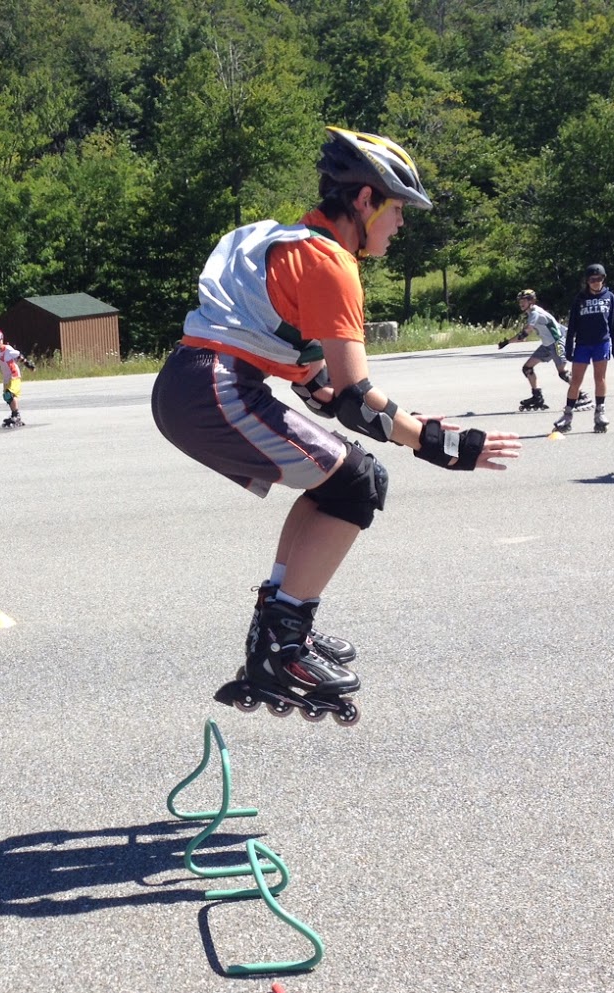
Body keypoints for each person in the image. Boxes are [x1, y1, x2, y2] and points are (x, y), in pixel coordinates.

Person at [150, 126, 521, 725]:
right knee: (357, 482)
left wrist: (407, 422)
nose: (401, 224)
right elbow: (357, 402)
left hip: (191, 384)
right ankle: (283, 645)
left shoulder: (291, 243)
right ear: (366, 200)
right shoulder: (330, 263)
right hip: (214, 389)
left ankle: (280, 629)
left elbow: (320, 387)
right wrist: (442, 444)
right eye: (398, 208)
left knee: (338, 480)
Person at [557, 263, 614, 434]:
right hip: (583, 344)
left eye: (599, 279)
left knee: (600, 378)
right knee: (576, 381)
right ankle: (567, 415)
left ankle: (600, 412)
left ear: (603, 279)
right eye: (592, 280)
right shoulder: (580, 299)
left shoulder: (609, 297)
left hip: (601, 343)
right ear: (587, 281)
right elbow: (572, 325)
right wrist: (569, 347)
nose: (596, 282)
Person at [498, 288, 571, 411]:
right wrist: (511, 341)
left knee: (563, 373)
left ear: (531, 301)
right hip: (547, 345)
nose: (521, 303)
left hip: (557, 343)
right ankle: (537, 397)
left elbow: (525, 333)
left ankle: (581, 395)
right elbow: (524, 336)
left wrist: (507, 342)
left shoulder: (534, 313)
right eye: (520, 301)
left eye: (524, 301)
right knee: (527, 368)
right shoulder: (533, 312)